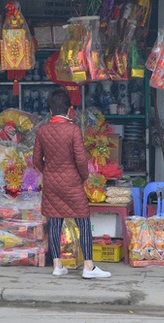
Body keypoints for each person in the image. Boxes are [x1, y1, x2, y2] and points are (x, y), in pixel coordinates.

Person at [33, 87, 111, 279]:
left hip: (51, 182)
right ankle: (88, 267)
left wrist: (48, 172)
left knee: (55, 220)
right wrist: (83, 177)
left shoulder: (43, 130)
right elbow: (81, 161)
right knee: (83, 220)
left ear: (50, 110)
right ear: (69, 109)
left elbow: (36, 160)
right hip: (72, 181)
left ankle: (58, 265)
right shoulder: (73, 130)